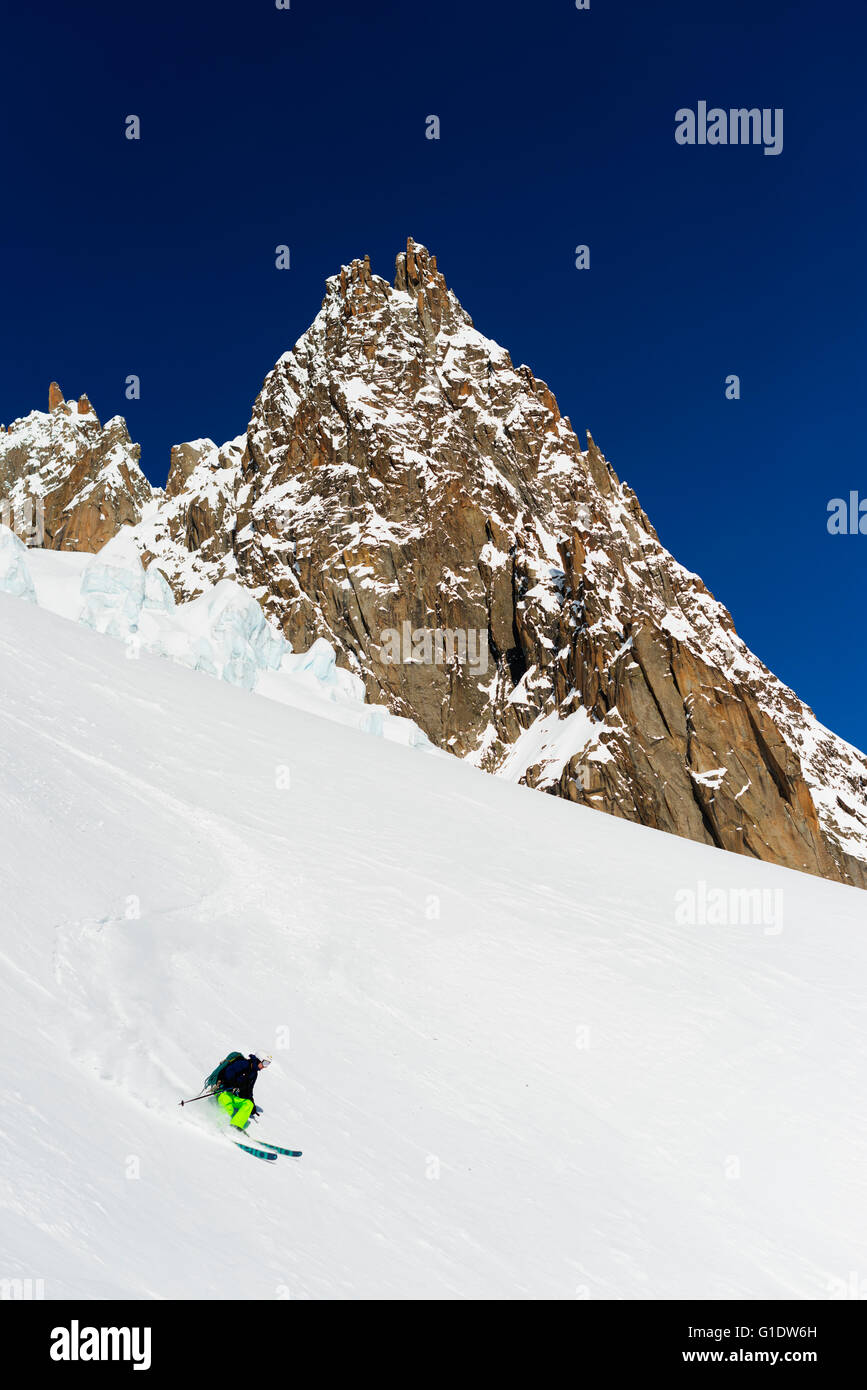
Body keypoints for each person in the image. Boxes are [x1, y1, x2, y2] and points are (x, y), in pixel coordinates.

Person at [213, 1053, 272, 1131]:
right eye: (265, 1063)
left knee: (248, 1104)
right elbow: (228, 1072)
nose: (265, 1066)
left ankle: (235, 1126)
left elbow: (249, 1090)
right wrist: (234, 1084)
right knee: (229, 1108)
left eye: (267, 1064)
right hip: (223, 1092)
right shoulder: (242, 1064)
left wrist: (252, 1105)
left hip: (234, 1096)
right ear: (258, 1060)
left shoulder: (254, 1073)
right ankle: (219, 1125)